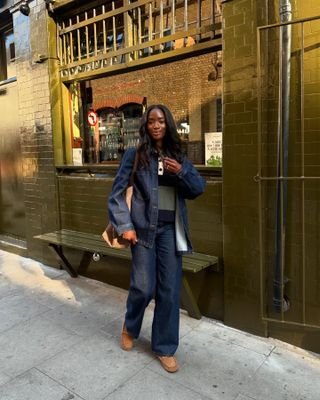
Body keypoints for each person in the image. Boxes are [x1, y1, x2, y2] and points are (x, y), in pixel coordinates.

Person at [108, 104, 205, 373]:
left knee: (169, 291)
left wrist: (181, 172)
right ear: (146, 126)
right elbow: (116, 193)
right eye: (151, 121)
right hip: (142, 230)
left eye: (161, 121)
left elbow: (198, 189)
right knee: (143, 286)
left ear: (168, 124)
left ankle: (164, 347)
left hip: (170, 232)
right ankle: (130, 326)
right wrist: (125, 225)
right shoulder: (135, 155)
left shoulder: (178, 155)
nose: (156, 125)